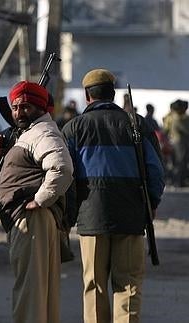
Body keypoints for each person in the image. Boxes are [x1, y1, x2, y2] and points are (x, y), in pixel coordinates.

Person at [62, 69, 165, 323]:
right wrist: (151, 203)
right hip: (131, 216)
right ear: (113, 93)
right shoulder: (137, 124)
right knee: (128, 285)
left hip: (91, 218)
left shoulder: (73, 128)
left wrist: (69, 214)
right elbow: (155, 171)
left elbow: (64, 174)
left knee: (94, 285)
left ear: (87, 96)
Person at [0, 81, 73, 323]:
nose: (18, 113)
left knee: (30, 292)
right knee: (39, 293)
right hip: (32, 220)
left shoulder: (42, 132)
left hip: (33, 220)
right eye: (15, 108)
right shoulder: (31, 133)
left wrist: (40, 199)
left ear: (38, 107)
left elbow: (62, 168)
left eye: (25, 107)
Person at [162, 99, 189, 187]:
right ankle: (178, 181)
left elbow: (165, 129)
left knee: (176, 163)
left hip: (173, 142)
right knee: (180, 162)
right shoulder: (180, 118)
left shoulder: (171, 116)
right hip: (180, 143)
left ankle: (177, 181)